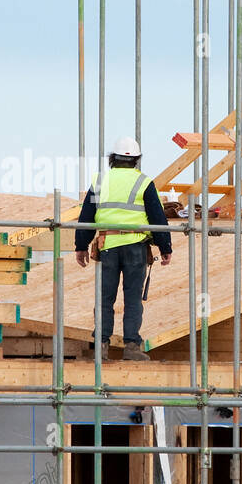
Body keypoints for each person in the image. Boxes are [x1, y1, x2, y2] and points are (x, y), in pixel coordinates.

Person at [74, 137, 173, 361]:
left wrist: (81, 246)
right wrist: (165, 246)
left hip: (107, 246)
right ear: (136, 160)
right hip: (136, 247)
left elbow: (86, 217)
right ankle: (131, 347)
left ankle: (101, 345)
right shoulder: (144, 182)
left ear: (112, 159)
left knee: (105, 299)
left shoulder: (100, 182)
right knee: (132, 299)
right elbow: (158, 218)